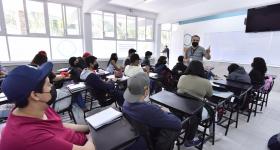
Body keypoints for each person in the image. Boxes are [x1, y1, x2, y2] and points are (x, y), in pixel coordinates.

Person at [0, 62, 95, 150]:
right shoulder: (30, 136)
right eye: (49, 84)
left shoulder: (36, 107)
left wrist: (89, 128)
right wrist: (92, 137)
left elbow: (58, 126)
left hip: (82, 139)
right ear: (35, 95)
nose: (52, 87)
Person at [122, 72, 181, 150]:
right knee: (172, 129)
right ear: (146, 91)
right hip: (148, 142)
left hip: (136, 135)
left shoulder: (125, 103)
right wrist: (164, 112)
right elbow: (177, 123)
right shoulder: (150, 110)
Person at [177, 60, 213, 147]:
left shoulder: (182, 77)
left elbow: (179, 88)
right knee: (212, 112)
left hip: (178, 107)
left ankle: (186, 125)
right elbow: (210, 95)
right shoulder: (206, 82)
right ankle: (190, 140)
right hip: (194, 111)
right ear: (201, 69)